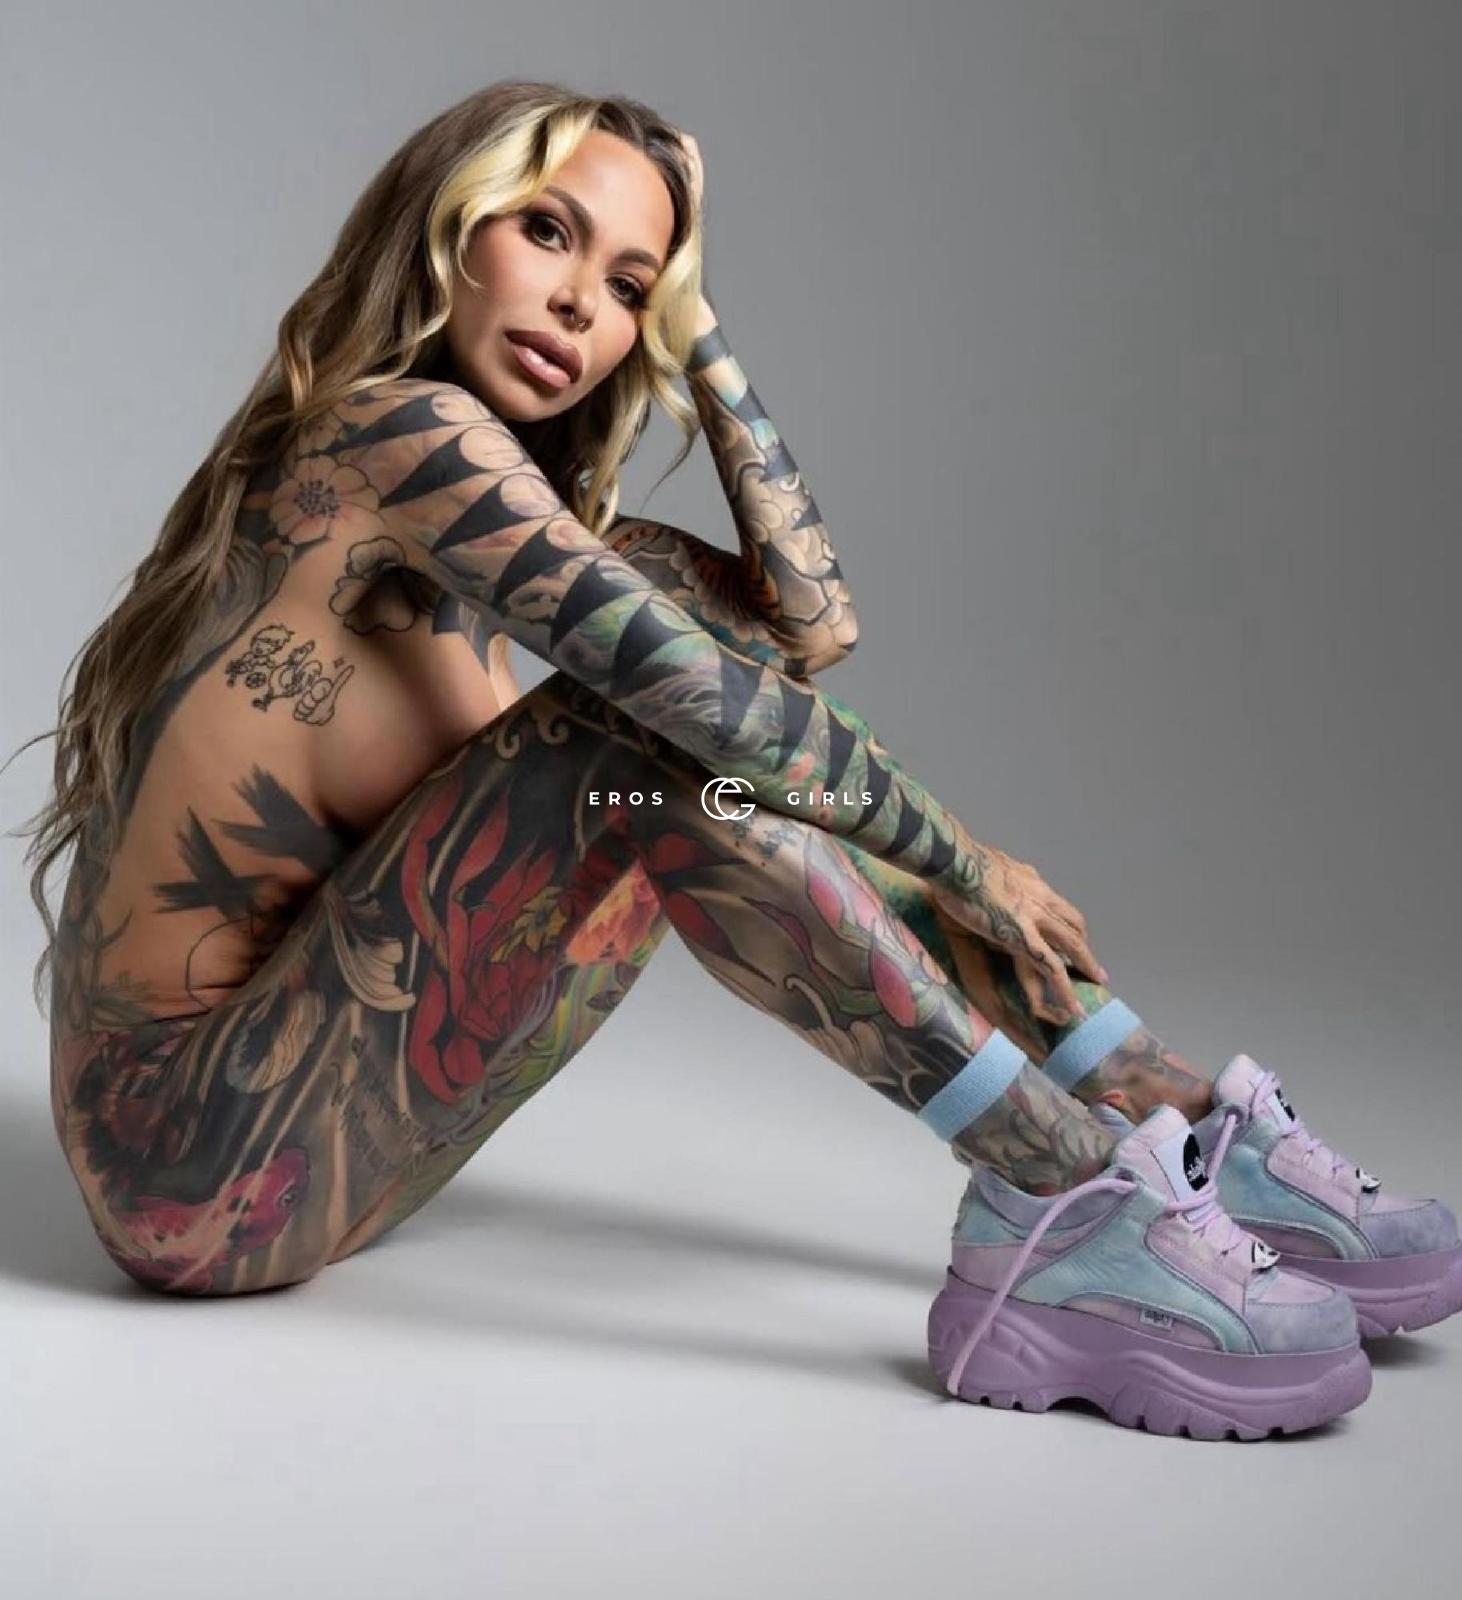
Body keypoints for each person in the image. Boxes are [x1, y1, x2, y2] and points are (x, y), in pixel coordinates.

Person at [13, 80, 1458, 1441]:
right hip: (188, 1161)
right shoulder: (393, 434)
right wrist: (965, 863)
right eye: (547, 232)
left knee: (677, 715)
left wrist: (699, 330)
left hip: (323, 1160)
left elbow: (809, 628)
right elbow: (718, 709)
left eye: (630, 286)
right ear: (443, 229)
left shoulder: (502, 522)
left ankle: (1159, 1108)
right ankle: (1066, 1190)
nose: (582, 304)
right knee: (651, 744)